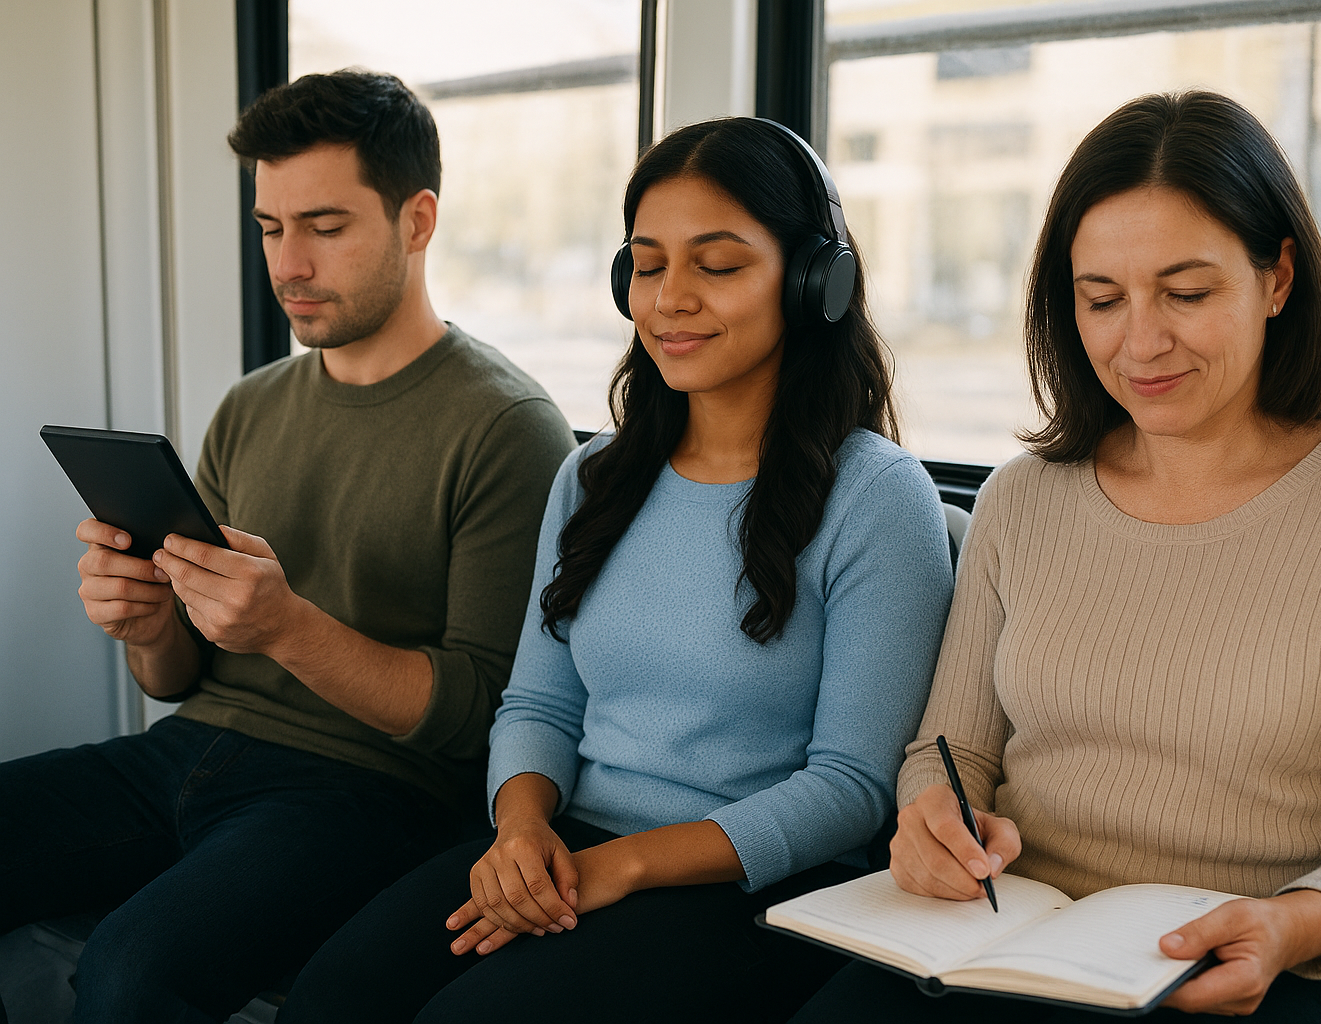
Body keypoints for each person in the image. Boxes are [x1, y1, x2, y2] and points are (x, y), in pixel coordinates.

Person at [791, 91, 1321, 1023]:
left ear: (1277, 279)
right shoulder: (1020, 498)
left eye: (1188, 293)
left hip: (1253, 972)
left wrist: (1298, 922)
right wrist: (932, 817)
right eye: (1103, 299)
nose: (1142, 342)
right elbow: (950, 749)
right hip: (1006, 942)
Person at [276, 116, 956, 1023]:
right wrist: (519, 830)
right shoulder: (594, 476)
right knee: (332, 998)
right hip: (567, 840)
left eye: (717, 265)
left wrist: (623, 866)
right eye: (646, 264)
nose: (670, 298)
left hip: (758, 881)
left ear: (812, 284)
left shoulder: (877, 497)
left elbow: (851, 789)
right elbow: (539, 705)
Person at [0, 70, 574, 1023]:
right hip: (187, 751)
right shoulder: (251, 404)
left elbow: (484, 716)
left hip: (363, 791)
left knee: (132, 969)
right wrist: (146, 622)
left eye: (325, 226)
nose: (288, 264)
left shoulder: (507, 428)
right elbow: (177, 679)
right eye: (271, 228)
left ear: (417, 220)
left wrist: (288, 627)